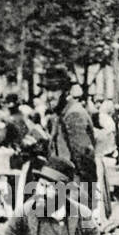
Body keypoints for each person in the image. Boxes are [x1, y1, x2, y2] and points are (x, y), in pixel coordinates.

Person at [48, 76, 105, 214]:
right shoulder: (62, 114)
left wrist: (85, 193)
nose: (50, 95)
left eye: (55, 90)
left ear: (66, 92)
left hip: (75, 187)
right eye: (47, 90)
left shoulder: (73, 114)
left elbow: (84, 158)